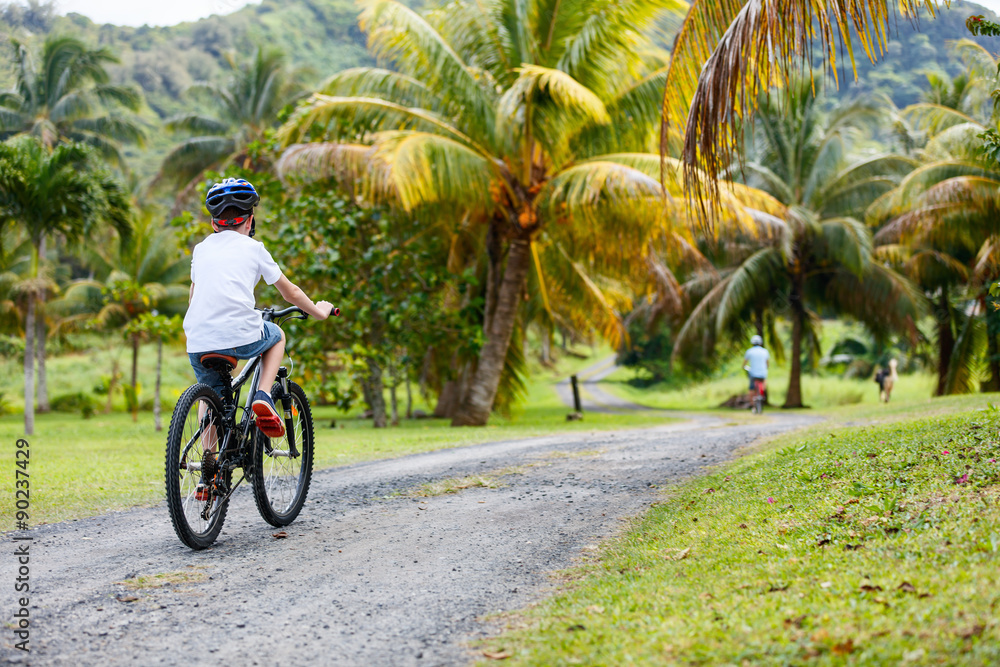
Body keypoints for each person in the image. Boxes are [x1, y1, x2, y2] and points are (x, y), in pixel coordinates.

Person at [183, 177, 334, 443]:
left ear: (214, 224)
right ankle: (263, 395)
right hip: (238, 333)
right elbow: (290, 292)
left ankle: (207, 465)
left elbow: (193, 295)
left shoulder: (201, 249)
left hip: (197, 338)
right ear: (250, 220)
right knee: (276, 335)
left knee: (210, 396)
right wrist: (319, 311)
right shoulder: (254, 248)